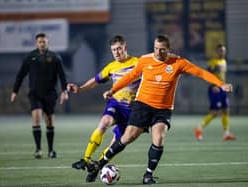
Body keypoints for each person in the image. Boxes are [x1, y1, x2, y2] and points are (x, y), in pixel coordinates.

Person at [86, 34, 233, 184]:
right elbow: (129, 76)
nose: (158, 52)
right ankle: (99, 164)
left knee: (159, 138)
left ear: (169, 49)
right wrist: (113, 90)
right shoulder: (145, 60)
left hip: (163, 109)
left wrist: (221, 84)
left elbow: (201, 72)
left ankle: (148, 175)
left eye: (162, 50)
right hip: (142, 105)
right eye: (156, 48)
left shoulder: (179, 62)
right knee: (127, 137)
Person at [68, 35, 140, 182]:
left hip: (132, 110)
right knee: (104, 122)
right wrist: (80, 89)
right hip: (116, 104)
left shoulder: (138, 63)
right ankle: (85, 160)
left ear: (125, 47)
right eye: (114, 50)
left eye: (119, 49)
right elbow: (95, 80)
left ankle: (97, 167)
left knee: (116, 143)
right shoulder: (111, 67)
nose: (117, 53)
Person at [10, 33, 69, 159]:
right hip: (35, 93)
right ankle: (38, 149)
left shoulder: (55, 57)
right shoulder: (30, 57)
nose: (42, 43)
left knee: (49, 122)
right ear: (36, 43)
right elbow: (21, 75)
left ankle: (51, 150)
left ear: (48, 42)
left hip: (50, 94)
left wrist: (65, 91)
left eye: (44, 41)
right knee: (36, 118)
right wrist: (15, 91)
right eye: (40, 42)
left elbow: (62, 76)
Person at [194, 44, 236, 141]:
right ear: (217, 52)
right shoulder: (213, 62)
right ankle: (199, 129)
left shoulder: (224, 61)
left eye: (223, 51)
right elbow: (208, 74)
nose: (222, 52)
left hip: (222, 88)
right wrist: (213, 86)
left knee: (226, 110)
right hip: (215, 89)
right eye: (220, 51)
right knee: (214, 113)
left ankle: (226, 133)